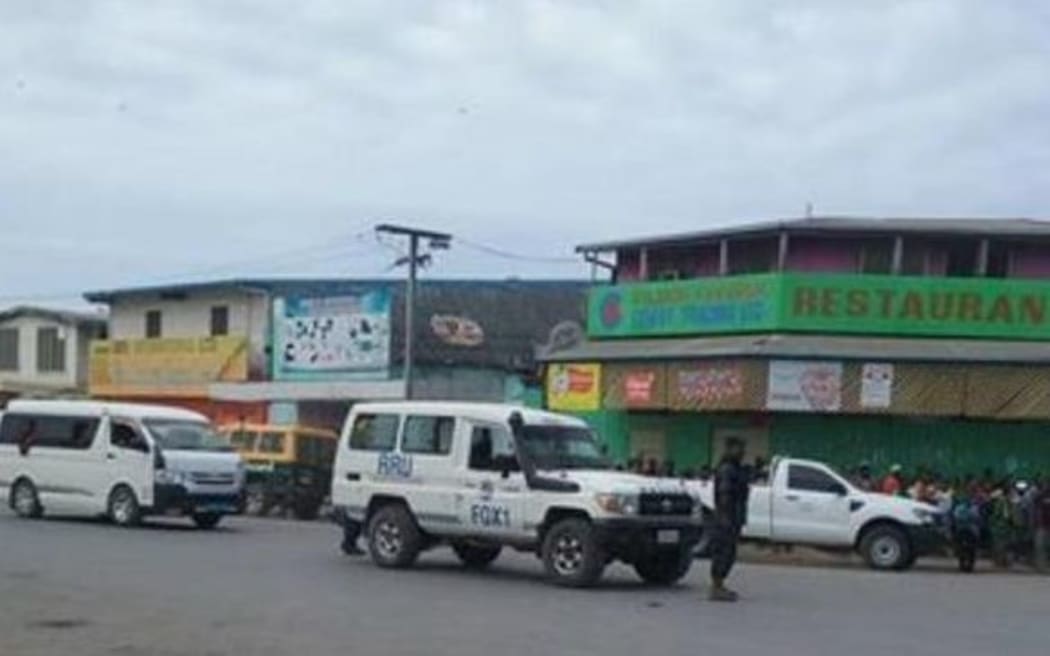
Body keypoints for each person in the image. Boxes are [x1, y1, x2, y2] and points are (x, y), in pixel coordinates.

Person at [709, 436, 750, 602]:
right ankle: (716, 587)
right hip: (727, 517)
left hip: (734, 516)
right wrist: (725, 517)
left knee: (730, 552)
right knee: (724, 552)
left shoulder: (735, 468)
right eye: (739, 448)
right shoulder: (727, 469)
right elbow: (724, 493)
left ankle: (719, 584)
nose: (742, 452)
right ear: (730, 449)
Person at [1035, 477, 1050, 574]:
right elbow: (1036, 508)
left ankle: (1043, 567)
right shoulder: (1040, 496)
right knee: (1040, 547)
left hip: (1045, 525)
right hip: (1042, 525)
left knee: (1042, 547)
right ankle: (1041, 567)